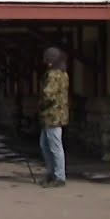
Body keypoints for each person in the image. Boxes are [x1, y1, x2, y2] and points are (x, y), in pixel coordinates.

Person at [38, 46, 69, 187]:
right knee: (45, 144)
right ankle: (52, 173)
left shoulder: (53, 74)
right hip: (56, 114)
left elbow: (48, 94)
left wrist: (40, 103)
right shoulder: (63, 73)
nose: (47, 63)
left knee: (54, 146)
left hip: (52, 115)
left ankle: (59, 176)